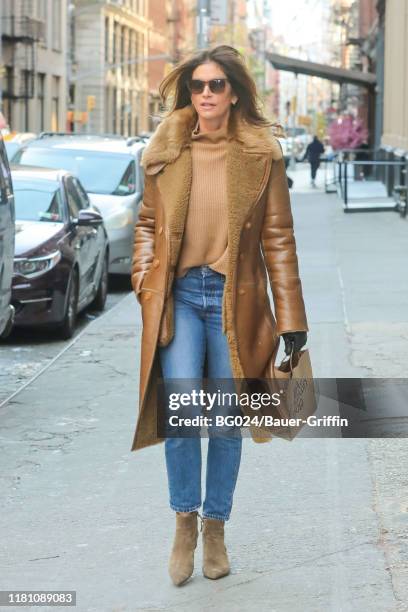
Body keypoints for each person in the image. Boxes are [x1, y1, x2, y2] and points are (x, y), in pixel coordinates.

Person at [130, 44, 308, 586]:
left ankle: (216, 525)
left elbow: (278, 239)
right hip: (181, 297)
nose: (205, 94)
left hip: (237, 299)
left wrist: (291, 318)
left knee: (227, 419)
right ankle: (184, 520)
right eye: (198, 86)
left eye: (216, 86)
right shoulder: (166, 151)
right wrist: (144, 282)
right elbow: (145, 225)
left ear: (234, 94)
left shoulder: (261, 156)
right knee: (183, 410)